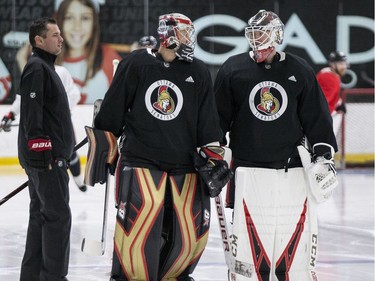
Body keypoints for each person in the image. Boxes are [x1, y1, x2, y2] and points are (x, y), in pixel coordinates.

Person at [94, 12, 231, 281]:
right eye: (183, 33)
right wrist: (104, 147)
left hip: (185, 165)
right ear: (167, 35)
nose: (188, 40)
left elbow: (208, 123)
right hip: (141, 161)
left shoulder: (198, 71)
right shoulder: (136, 64)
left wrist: (214, 158)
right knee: (138, 229)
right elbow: (112, 113)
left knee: (187, 235)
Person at [214, 10, 338, 281]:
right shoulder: (233, 69)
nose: (256, 39)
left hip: (292, 173)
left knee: (291, 248)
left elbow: (316, 115)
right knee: (249, 249)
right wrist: (212, 154)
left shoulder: (299, 69)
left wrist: (323, 154)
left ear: (276, 36)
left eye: (262, 33)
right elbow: (218, 119)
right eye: (253, 34)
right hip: (248, 171)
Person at [18, 17, 74, 281]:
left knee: (41, 218)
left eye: (60, 34)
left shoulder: (44, 67)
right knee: (57, 219)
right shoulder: (37, 68)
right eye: (55, 35)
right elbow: (32, 118)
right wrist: (45, 158)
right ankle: (54, 277)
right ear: (39, 40)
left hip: (46, 162)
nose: (61, 39)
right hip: (47, 163)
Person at [1, 63, 87, 191]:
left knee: (70, 152)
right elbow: (21, 98)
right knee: (42, 155)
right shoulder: (30, 73)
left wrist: (59, 111)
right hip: (39, 125)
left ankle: (78, 180)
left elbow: (74, 94)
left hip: (60, 124)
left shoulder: (61, 72)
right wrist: (10, 114)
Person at [53, 0, 122, 104]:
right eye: (69, 17)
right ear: (58, 21)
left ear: (94, 22)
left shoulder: (110, 58)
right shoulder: (45, 60)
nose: (77, 27)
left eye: (85, 18)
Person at [317, 51, 348, 136]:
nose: (344, 66)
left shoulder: (331, 74)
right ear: (333, 64)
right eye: (341, 63)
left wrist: (339, 102)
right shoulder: (329, 78)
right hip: (320, 121)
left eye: (345, 63)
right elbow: (321, 102)